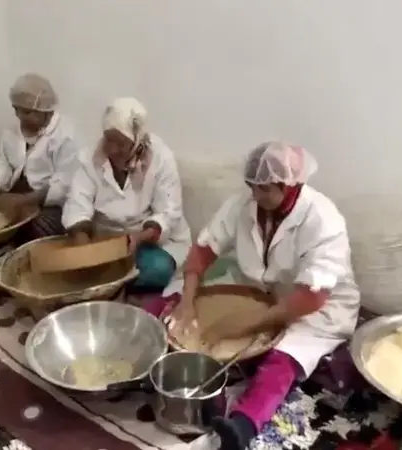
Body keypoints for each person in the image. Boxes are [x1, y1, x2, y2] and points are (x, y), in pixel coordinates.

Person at [145, 142, 360, 450]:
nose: (255, 196)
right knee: (173, 304)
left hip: (318, 308)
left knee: (282, 358)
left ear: (288, 186)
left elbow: (311, 298)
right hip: (262, 293)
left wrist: (246, 325)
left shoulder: (323, 220)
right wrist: (188, 303)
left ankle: (242, 426)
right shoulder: (243, 204)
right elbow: (204, 250)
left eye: (265, 190)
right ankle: (142, 358)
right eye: (252, 187)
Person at [61, 97, 191, 291]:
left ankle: (109, 282)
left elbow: (168, 213)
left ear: (137, 139)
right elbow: (77, 203)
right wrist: (84, 250)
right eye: (108, 139)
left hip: (147, 242)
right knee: (68, 262)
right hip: (104, 238)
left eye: (120, 143)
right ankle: (109, 280)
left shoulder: (161, 158)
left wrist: (137, 239)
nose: (112, 149)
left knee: (157, 269)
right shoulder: (90, 158)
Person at [0, 72, 81, 241]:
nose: (19, 116)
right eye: (16, 110)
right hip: (18, 193)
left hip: (48, 202)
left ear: (45, 110)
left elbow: (62, 185)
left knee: (39, 229)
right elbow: (4, 162)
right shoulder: (13, 130)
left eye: (27, 112)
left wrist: (24, 200)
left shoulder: (66, 136)